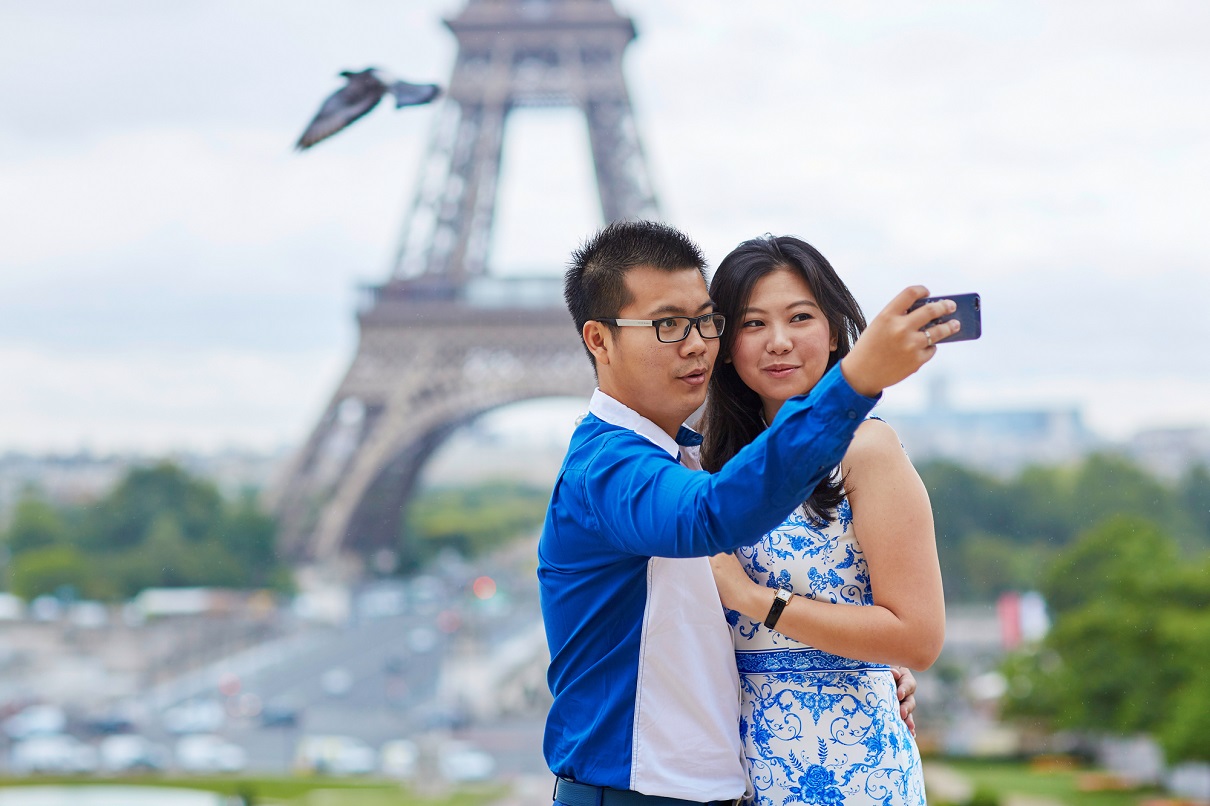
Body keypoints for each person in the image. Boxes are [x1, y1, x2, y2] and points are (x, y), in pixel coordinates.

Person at [538, 220, 957, 806]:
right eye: (666, 325)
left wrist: (866, 664)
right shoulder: (625, 473)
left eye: (701, 322)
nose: (691, 343)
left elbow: (910, 631)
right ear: (599, 340)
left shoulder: (689, 455)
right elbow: (713, 515)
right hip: (689, 782)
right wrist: (859, 378)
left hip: (827, 770)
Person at [700, 235, 946, 806]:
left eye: (800, 317)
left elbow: (919, 638)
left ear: (834, 332)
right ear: (727, 344)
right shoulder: (706, 463)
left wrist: (755, 600)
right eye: (753, 323)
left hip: (851, 771)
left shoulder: (867, 451)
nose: (778, 342)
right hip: (737, 775)